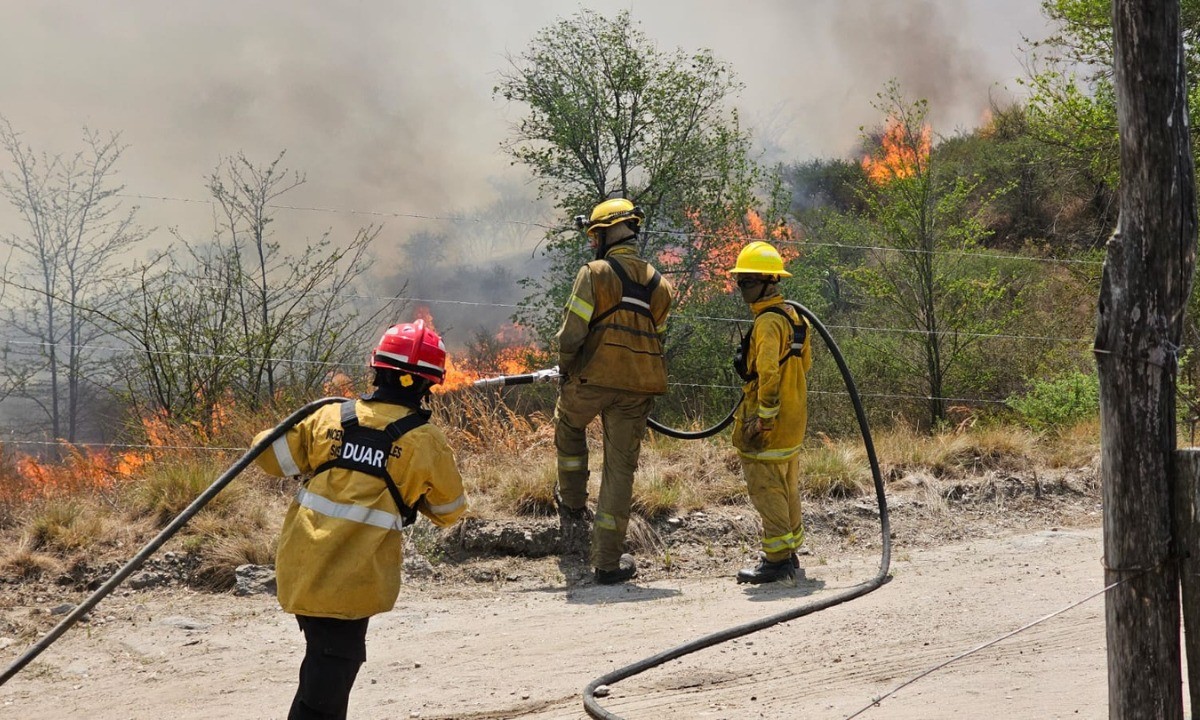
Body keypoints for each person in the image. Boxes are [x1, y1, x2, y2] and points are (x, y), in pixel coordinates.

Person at [253, 320, 467, 719]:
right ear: (427, 385)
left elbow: (268, 456)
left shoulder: (329, 417)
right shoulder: (425, 441)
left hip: (302, 569)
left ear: (376, 369)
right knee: (324, 691)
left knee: (323, 669)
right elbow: (448, 511)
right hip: (351, 584)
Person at [555, 197, 674, 584]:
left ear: (605, 234)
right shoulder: (661, 284)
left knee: (568, 425)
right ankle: (607, 563)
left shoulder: (594, 273)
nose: (593, 244)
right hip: (638, 386)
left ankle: (572, 504)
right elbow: (651, 328)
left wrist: (566, 368)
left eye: (595, 236)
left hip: (593, 379)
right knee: (620, 471)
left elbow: (573, 334)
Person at [728, 241, 813, 585]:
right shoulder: (796, 317)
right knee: (787, 482)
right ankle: (790, 549)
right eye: (741, 282)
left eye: (747, 282)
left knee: (766, 485)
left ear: (767, 281)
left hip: (770, 420)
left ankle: (777, 560)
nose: (742, 289)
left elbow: (768, 374)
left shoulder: (766, 323)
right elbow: (804, 365)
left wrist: (764, 418)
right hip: (795, 417)